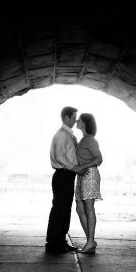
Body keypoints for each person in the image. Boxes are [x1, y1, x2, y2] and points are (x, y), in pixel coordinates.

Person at [45, 106, 87, 253]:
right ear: (66, 118)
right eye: (74, 117)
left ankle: (60, 241)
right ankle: (53, 244)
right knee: (59, 209)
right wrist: (74, 168)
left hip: (67, 176)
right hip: (63, 175)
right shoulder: (62, 135)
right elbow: (59, 157)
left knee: (65, 209)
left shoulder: (68, 135)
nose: (76, 120)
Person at [74, 113, 103, 253]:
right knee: (80, 209)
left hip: (89, 174)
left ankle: (90, 242)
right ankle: (90, 241)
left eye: (79, 119)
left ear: (84, 123)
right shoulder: (82, 140)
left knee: (89, 208)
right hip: (81, 176)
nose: (76, 120)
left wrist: (82, 167)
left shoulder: (90, 140)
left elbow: (99, 159)